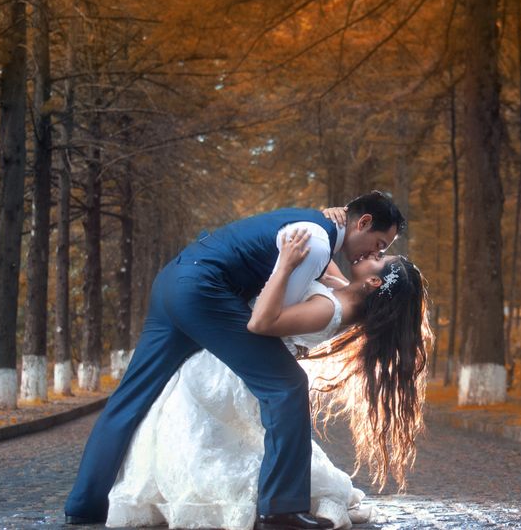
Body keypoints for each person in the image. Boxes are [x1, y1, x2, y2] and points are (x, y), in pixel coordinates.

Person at [65, 192, 407, 529]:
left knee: (130, 397)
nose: (375, 252)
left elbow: (327, 279)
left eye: (381, 252)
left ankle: (84, 503)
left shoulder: (313, 228)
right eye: (379, 243)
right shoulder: (315, 244)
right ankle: (280, 509)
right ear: (362, 223)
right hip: (203, 294)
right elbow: (264, 320)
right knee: (286, 385)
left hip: (172, 282)